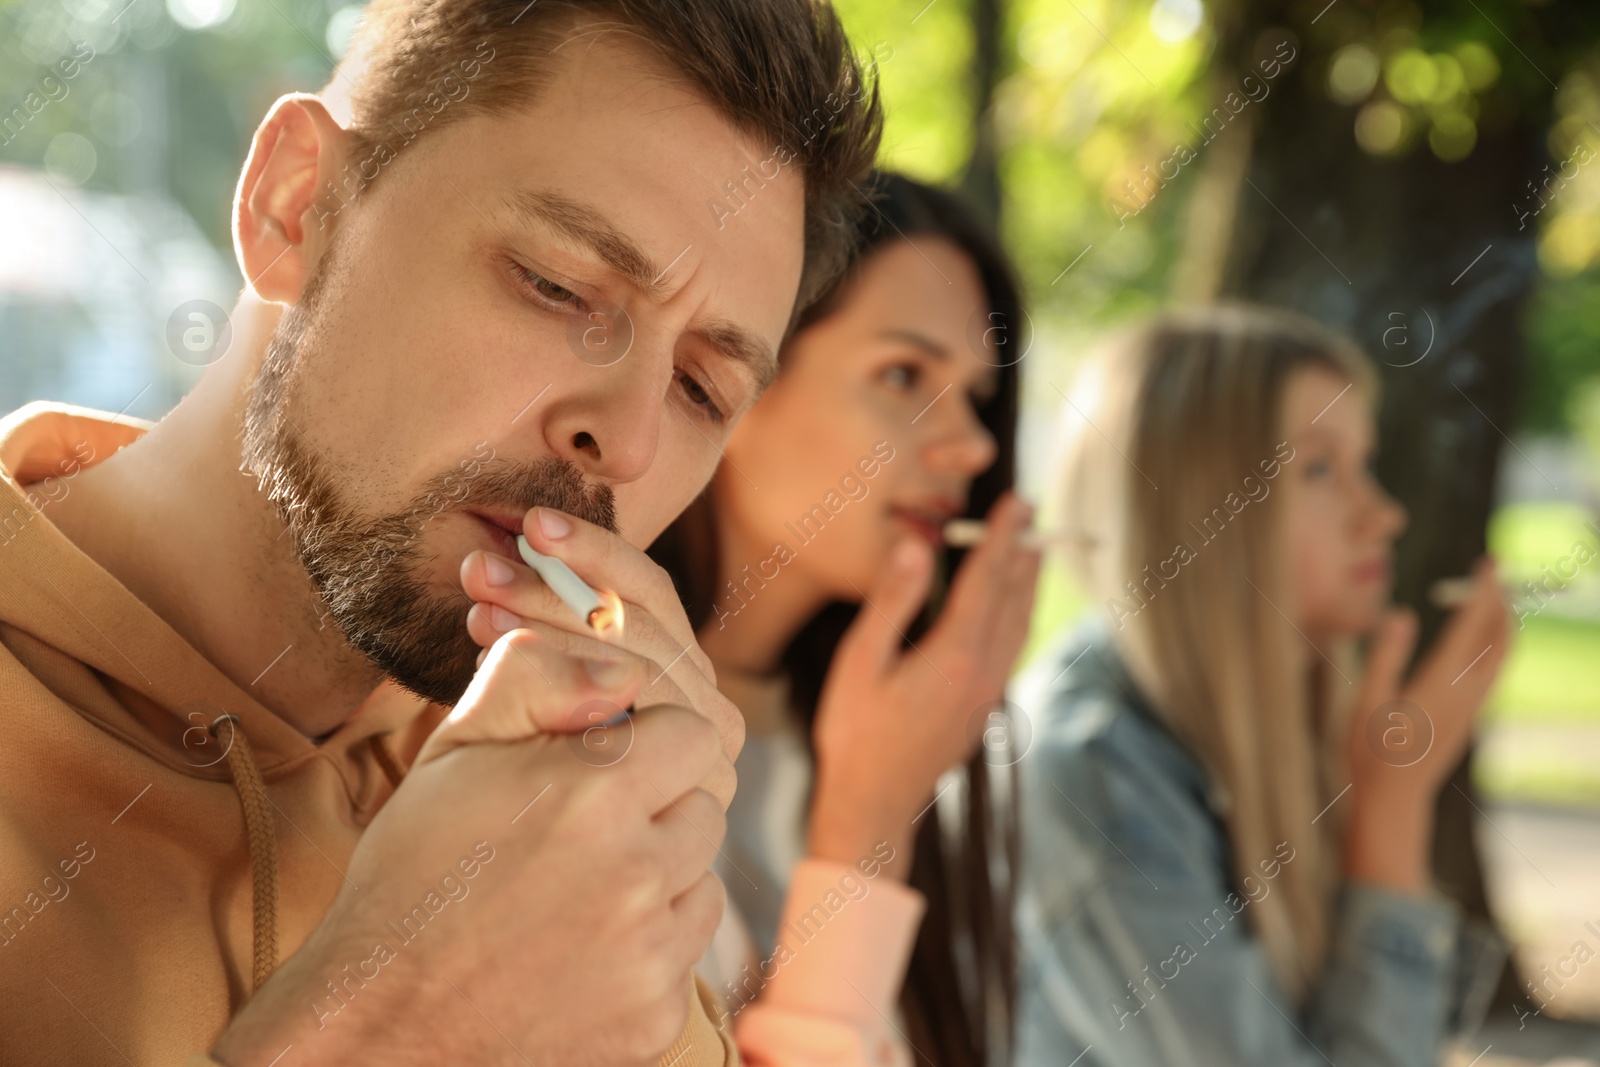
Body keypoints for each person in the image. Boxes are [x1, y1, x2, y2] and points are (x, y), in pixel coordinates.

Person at [0, 0, 881, 1063]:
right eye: (556, 285)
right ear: (297, 206)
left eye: (700, 387)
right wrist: (388, 1021)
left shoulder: (555, 814)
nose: (630, 437)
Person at [1013, 304, 1511, 1067]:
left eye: (1364, 465)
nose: (1383, 513)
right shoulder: (1091, 773)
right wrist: (1392, 807)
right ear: (1193, 508)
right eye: (1318, 469)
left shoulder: (1267, 729)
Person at [636, 172, 1041, 1065]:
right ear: (731, 375)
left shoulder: (895, 738)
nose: (972, 446)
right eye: (904, 374)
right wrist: (866, 830)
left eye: (976, 397)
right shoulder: (575, 725)